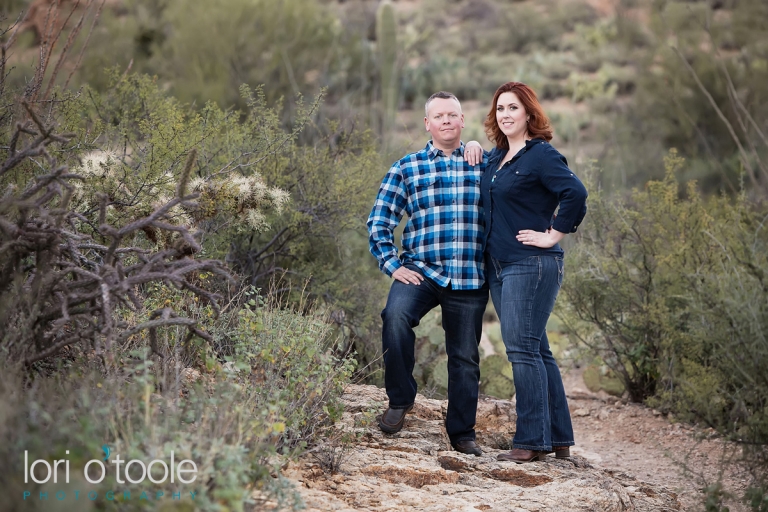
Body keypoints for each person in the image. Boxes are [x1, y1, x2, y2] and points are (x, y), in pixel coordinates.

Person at [465, 82, 587, 463]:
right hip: (499, 266)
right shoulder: (498, 157)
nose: (505, 114)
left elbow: (576, 194)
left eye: (513, 108)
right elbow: (483, 173)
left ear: (529, 114)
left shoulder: (541, 156)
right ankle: (559, 437)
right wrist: (473, 148)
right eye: (500, 108)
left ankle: (531, 441)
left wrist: (553, 235)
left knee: (521, 350)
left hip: (530, 265)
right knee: (537, 349)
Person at [367, 91, 488, 456]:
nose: (447, 121)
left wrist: (483, 146)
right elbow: (379, 222)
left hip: (469, 274)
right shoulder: (407, 167)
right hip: (419, 271)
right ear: (427, 124)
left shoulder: (484, 164)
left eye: (453, 114)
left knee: (465, 356)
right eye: (439, 116)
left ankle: (462, 432)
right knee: (395, 316)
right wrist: (394, 265)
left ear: (463, 121)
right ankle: (401, 399)